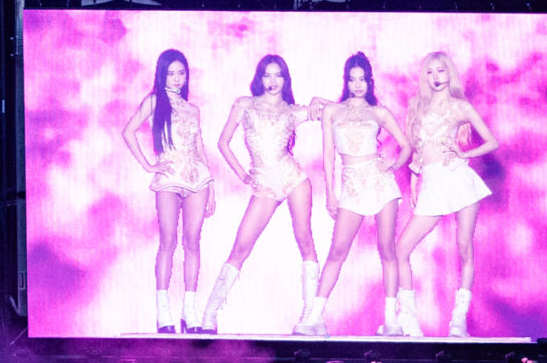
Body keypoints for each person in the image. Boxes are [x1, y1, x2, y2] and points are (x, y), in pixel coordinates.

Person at [195, 55, 319, 337]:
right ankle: (209, 315)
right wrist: (242, 174)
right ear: (259, 77)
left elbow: (329, 109)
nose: (273, 81)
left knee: (305, 239)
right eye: (267, 75)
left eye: (278, 75)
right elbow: (222, 143)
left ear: (285, 79)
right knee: (240, 247)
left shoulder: (292, 111)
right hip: (264, 185)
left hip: (294, 178)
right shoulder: (244, 104)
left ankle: (310, 315)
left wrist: (317, 99)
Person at [396, 51, 501, 338]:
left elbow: (492, 142)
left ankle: (459, 321)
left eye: (441, 71)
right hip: (431, 182)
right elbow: (418, 150)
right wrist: (416, 183)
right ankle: (408, 320)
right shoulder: (416, 107)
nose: (436, 77)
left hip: (458, 178)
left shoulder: (460, 106)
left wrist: (464, 153)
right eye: (430, 72)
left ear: (449, 73)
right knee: (401, 248)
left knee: (464, 248)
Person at [304, 53, 409, 337]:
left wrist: (394, 164)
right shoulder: (333, 112)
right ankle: (314, 316)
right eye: (353, 79)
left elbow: (406, 146)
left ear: (369, 81)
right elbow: (328, 156)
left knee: (387, 250)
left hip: (381, 183)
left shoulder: (380, 112)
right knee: (337, 251)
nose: (358, 84)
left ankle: (391, 320)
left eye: (362, 79)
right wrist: (330, 193)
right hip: (350, 186)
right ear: (346, 81)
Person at [119, 47, 209, 335]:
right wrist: (148, 165)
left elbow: (199, 146)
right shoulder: (155, 100)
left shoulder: (193, 109)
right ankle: (163, 310)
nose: (177, 78)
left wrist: (213, 186)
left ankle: (190, 310)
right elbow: (128, 131)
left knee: (193, 241)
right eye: (171, 73)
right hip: (169, 176)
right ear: (162, 74)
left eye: (181, 73)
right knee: (168, 241)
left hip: (198, 178)